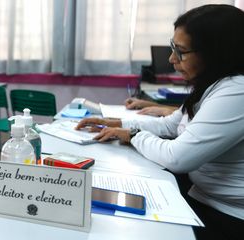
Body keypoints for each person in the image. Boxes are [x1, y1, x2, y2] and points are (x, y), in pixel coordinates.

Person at [76, 5, 244, 239]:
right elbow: (170, 125)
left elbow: (177, 158)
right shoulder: (213, 85)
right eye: (173, 47)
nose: (171, 58)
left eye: (181, 51)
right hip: (201, 196)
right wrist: (115, 123)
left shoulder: (237, 92)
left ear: (216, 52)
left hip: (227, 217)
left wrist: (133, 135)